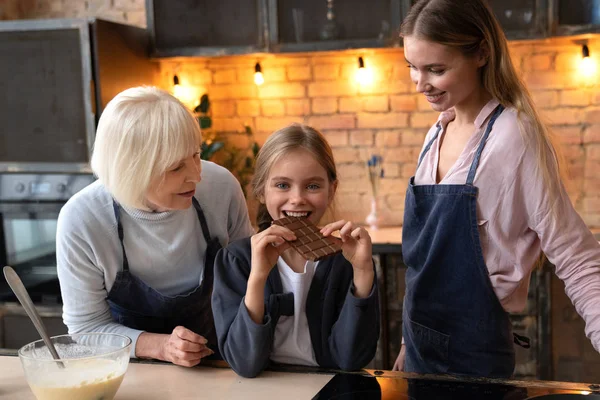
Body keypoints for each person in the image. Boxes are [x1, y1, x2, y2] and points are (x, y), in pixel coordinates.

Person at [393, 0, 600, 378]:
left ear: (482, 53)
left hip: (474, 359)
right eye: (412, 68)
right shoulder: (437, 131)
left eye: (435, 70)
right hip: (419, 352)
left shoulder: (514, 137)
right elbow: (423, 262)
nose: (420, 84)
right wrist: (408, 342)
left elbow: (576, 255)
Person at [56, 86, 254, 367]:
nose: (196, 176)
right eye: (176, 168)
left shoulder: (221, 187)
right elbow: (87, 329)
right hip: (129, 370)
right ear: (131, 170)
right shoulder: (83, 219)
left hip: (222, 360)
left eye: (196, 155)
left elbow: (248, 281)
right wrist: (162, 347)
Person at [211, 123, 380, 378]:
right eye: (282, 185)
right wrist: (258, 278)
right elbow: (244, 364)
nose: (298, 198)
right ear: (260, 190)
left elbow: (351, 359)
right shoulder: (236, 261)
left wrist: (364, 272)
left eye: (312, 186)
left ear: (331, 190)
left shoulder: (345, 260)